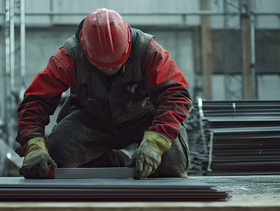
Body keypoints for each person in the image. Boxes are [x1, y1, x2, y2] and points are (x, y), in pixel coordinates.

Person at [16, 8, 192, 179]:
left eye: (116, 64)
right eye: (102, 66)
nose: (110, 69)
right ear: (86, 50)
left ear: (128, 43)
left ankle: (149, 163)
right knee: (57, 154)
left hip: (143, 117)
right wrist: (33, 146)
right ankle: (119, 164)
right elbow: (35, 101)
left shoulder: (149, 52)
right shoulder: (68, 58)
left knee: (173, 162)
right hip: (91, 119)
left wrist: (155, 144)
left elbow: (176, 94)